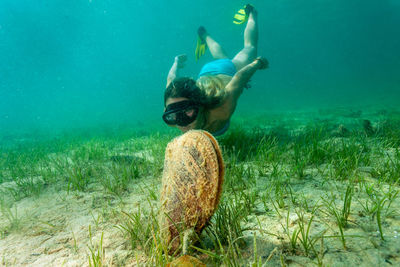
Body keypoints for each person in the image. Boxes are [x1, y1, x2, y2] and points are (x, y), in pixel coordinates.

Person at [163, 4, 268, 136]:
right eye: (172, 116)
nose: (182, 123)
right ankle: (204, 35)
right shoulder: (173, 99)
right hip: (206, 72)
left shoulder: (222, 107)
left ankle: (252, 13)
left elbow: (239, 78)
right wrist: (176, 62)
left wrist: (258, 63)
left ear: (200, 105)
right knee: (221, 57)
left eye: (188, 111)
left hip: (226, 69)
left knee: (250, 48)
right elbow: (171, 79)